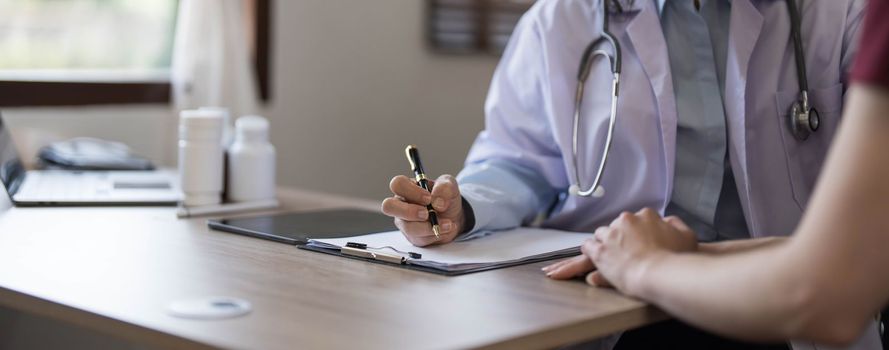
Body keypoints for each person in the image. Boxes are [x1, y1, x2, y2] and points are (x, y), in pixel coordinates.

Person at [381, 0, 875, 348]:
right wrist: (459, 209)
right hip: (610, 309)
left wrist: (666, 262)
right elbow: (519, 161)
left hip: (779, 303)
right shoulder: (560, 21)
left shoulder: (845, 14)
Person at [546, 0, 889, 347]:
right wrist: (658, 254)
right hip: (647, 306)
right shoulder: (560, 17)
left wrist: (643, 264)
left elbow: (834, 286)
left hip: (789, 318)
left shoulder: (852, 12)